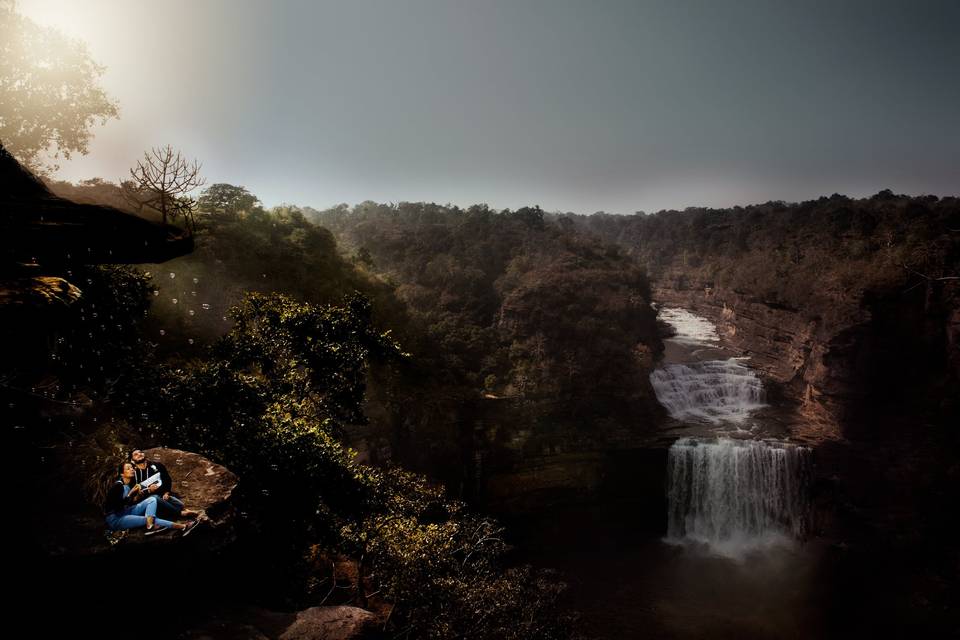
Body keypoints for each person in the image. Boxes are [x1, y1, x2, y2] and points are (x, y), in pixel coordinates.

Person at [103, 461, 197, 536]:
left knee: (152, 499)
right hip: (115, 518)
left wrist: (140, 493)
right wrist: (130, 495)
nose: (132, 469)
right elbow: (115, 507)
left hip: (126, 511)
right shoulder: (117, 486)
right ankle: (183, 526)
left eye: (132, 467)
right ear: (122, 474)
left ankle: (150, 525)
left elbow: (130, 502)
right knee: (149, 519)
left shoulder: (128, 485)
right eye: (128, 468)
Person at [130, 448, 198, 520]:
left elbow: (167, 480)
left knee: (180, 505)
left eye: (140, 452)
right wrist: (148, 490)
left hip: (162, 496)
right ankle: (181, 513)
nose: (139, 454)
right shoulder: (133, 473)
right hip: (146, 501)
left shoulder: (157, 465)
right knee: (155, 499)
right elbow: (134, 493)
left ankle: (177, 511)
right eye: (135, 454)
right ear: (132, 460)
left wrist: (166, 493)